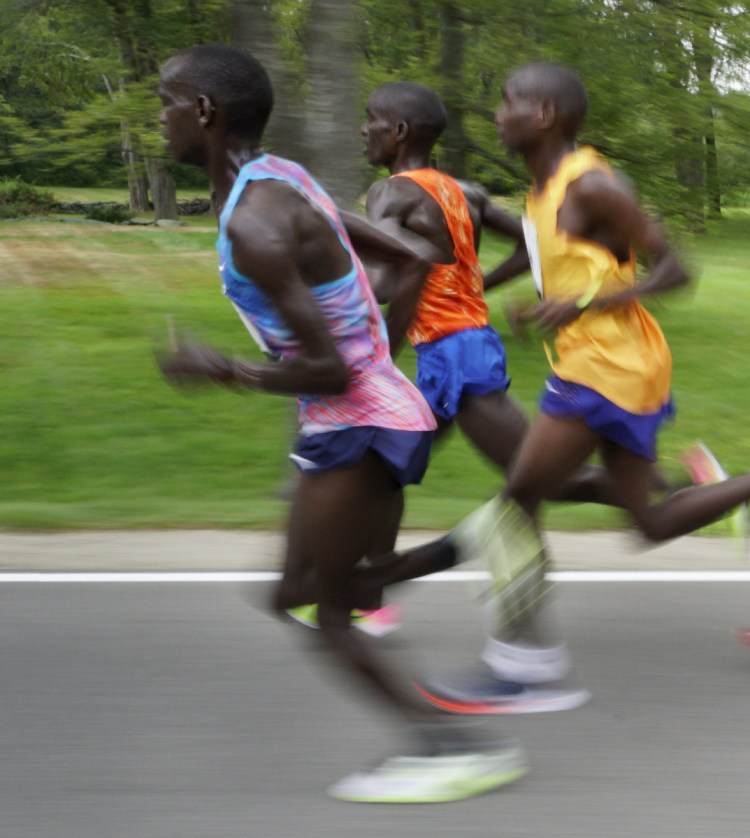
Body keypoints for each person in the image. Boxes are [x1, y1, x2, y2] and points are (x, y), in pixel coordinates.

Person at [153, 44, 527, 803]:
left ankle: (448, 750)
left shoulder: (256, 222)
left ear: (203, 112)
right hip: (367, 417)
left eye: (165, 101)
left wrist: (220, 368)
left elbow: (329, 369)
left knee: (322, 608)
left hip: (357, 425)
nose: (156, 118)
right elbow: (417, 255)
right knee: (310, 592)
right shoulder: (280, 178)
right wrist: (377, 353)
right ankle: (473, 543)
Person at [356, 81, 658, 713]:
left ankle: (675, 497)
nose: (365, 131)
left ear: (400, 132)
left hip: (458, 356)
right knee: (387, 466)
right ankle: (368, 596)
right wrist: (473, 285)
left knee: (527, 490)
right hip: (451, 350)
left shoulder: (388, 193)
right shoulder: (463, 191)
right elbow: (527, 242)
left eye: (372, 121)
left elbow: (385, 280)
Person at [485, 61, 750, 651]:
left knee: (519, 499)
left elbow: (678, 270)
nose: (497, 114)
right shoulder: (541, 191)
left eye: (508, 102)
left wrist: (590, 304)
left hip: (609, 368)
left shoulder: (592, 185)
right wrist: (539, 304)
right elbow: (564, 268)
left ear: (545, 115)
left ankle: (524, 662)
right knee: (646, 526)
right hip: (607, 363)